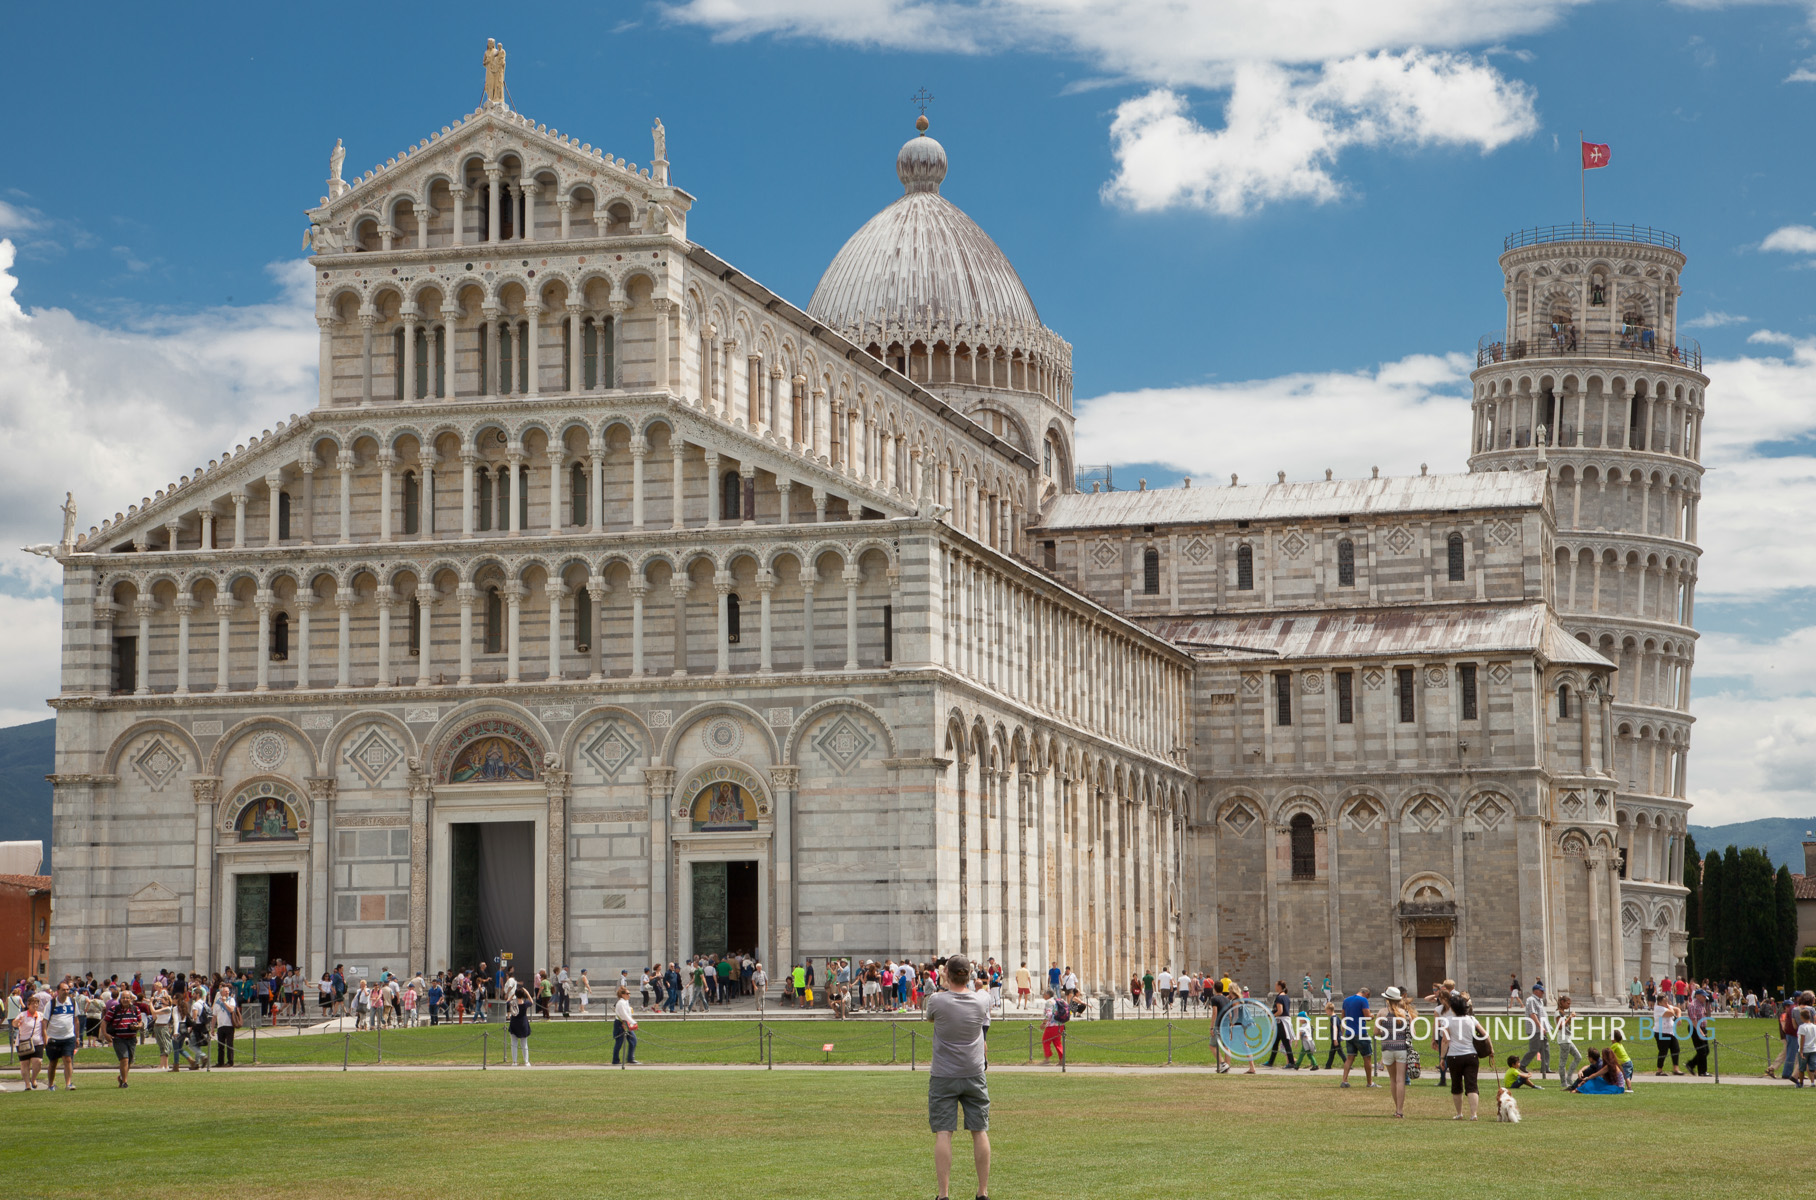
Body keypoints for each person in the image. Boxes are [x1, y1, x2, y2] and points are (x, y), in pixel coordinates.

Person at [923, 955, 992, 1200]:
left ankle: (943, 1195)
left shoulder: (937, 1001)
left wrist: (943, 980)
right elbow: (982, 991)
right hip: (973, 1072)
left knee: (943, 1132)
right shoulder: (981, 1001)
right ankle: (982, 1191)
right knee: (980, 1131)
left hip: (943, 1074)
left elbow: (931, 1016)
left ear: (947, 975)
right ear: (969, 975)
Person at [1437, 992, 1488, 1120]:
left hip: (1454, 1055)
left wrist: (1442, 1057)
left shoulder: (1447, 1021)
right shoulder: (1471, 1019)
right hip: (1471, 1054)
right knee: (1472, 1085)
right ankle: (1473, 1114)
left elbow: (1445, 1040)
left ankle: (1459, 1113)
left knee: (1456, 1085)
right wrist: (1489, 1049)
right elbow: (1484, 1033)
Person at [1378, 986, 1416, 1118]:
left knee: (1393, 1079)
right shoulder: (1405, 1013)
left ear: (1387, 999)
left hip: (1387, 1048)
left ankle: (1396, 1108)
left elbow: (1376, 1032)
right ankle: (1400, 1110)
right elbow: (1412, 1033)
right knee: (1401, 1080)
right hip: (1401, 1048)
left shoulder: (1382, 1013)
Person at [104, 987, 151, 1087]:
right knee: (124, 1059)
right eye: (123, 998)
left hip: (132, 1038)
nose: (125, 1000)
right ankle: (125, 1082)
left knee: (129, 1061)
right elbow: (104, 1022)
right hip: (119, 1038)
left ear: (131, 999)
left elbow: (140, 1021)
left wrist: (138, 1026)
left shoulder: (135, 1009)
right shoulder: (114, 1009)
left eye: (127, 998)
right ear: (120, 999)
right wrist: (105, 1034)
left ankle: (121, 1077)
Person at [45, 981, 80, 1090]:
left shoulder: (73, 1002)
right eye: (63, 990)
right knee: (53, 1062)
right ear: (58, 991)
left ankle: (68, 1084)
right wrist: (45, 1036)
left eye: (67, 990)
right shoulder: (51, 1004)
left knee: (68, 1059)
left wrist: (77, 1036)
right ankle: (51, 1084)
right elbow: (44, 1021)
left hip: (68, 1036)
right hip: (54, 1037)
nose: (66, 992)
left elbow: (76, 1020)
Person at [1339, 986, 1376, 1088]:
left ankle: (1344, 1081)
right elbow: (1367, 1016)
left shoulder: (1346, 1000)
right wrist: (1372, 1016)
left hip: (1349, 1033)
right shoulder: (1363, 1000)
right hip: (1360, 1032)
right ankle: (1369, 1083)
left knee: (1350, 1057)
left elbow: (1343, 1018)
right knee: (1367, 1057)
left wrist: (1342, 1033)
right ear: (1367, 994)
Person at [13, 993, 46, 1089]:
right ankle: (27, 1084)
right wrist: (17, 1022)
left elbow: (44, 1028)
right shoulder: (22, 1015)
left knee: (38, 1061)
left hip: (37, 1042)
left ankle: (33, 1078)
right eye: (33, 1004)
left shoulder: (40, 1015)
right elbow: (14, 1023)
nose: (35, 1006)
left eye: (36, 1004)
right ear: (28, 1005)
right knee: (24, 1064)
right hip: (23, 1043)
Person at [1520, 982, 1551, 1078]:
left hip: (1541, 1030)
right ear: (1536, 991)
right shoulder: (1531, 1000)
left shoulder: (1539, 1001)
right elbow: (1532, 1014)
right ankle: (1522, 1065)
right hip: (1535, 1029)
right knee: (1534, 1049)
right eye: (1541, 991)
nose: (1543, 993)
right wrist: (1540, 1027)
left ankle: (1545, 1068)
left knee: (1545, 1049)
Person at [1266, 980, 1298, 1069]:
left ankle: (1291, 1062)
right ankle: (1270, 1062)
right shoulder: (1286, 997)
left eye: (1276, 985)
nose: (1275, 987)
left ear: (1279, 986)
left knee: (1286, 1043)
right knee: (1276, 1043)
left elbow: (1280, 1011)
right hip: (1283, 1022)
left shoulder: (1279, 997)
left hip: (1281, 1022)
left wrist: (1271, 1015)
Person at [1554, 995, 1583, 1086]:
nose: (1569, 1005)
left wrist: (1571, 1018)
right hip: (1563, 1040)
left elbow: (1566, 1025)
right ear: (1562, 1002)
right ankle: (1564, 1082)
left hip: (1567, 1039)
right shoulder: (1558, 1013)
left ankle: (1569, 1078)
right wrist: (1569, 1018)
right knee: (1562, 1062)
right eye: (1567, 1003)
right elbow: (1560, 1026)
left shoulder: (1563, 1013)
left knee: (1578, 1057)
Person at [1653, 993, 1684, 1076]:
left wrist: (1679, 1018)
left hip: (1670, 1032)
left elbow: (1678, 1009)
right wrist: (1669, 1006)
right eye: (1664, 1002)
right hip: (1661, 1032)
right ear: (1659, 1002)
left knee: (1676, 1049)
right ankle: (1659, 1070)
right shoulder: (1658, 1008)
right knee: (1663, 1051)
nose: (1666, 1003)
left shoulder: (1666, 1007)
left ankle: (1676, 1069)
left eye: (1667, 1001)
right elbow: (1671, 1013)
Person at [507, 981, 533, 1066]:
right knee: (524, 1044)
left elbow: (507, 1001)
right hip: (523, 1024)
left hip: (514, 1023)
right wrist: (527, 993)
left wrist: (512, 995)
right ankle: (526, 1061)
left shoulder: (512, 1003)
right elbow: (531, 1001)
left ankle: (514, 1061)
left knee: (513, 1043)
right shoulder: (525, 1004)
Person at [213, 983, 238, 1067]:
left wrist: (224, 1002)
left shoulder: (231, 1000)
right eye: (225, 991)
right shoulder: (217, 1003)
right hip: (220, 1025)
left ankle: (230, 1061)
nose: (227, 993)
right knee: (220, 1045)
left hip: (229, 1025)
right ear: (221, 992)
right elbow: (214, 1016)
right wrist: (212, 1028)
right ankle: (220, 1062)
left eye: (228, 991)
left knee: (229, 1044)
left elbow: (231, 1009)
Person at [612, 985, 639, 1065]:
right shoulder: (620, 1003)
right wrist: (633, 1022)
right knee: (619, 1042)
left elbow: (628, 1014)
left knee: (633, 1040)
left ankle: (630, 1058)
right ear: (623, 995)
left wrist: (631, 1022)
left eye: (629, 993)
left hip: (626, 1023)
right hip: (620, 1024)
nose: (629, 995)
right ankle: (615, 1060)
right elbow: (624, 1015)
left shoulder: (625, 1002)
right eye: (627, 993)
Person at [1040, 987, 1067, 1064]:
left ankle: (1047, 1059)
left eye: (1044, 994)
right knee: (1057, 1042)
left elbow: (1049, 1014)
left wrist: (1044, 1023)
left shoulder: (1049, 1002)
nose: (1043, 995)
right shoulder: (1057, 1000)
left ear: (1048, 995)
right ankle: (1062, 1059)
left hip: (1052, 1025)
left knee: (1045, 1040)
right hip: (1060, 1025)